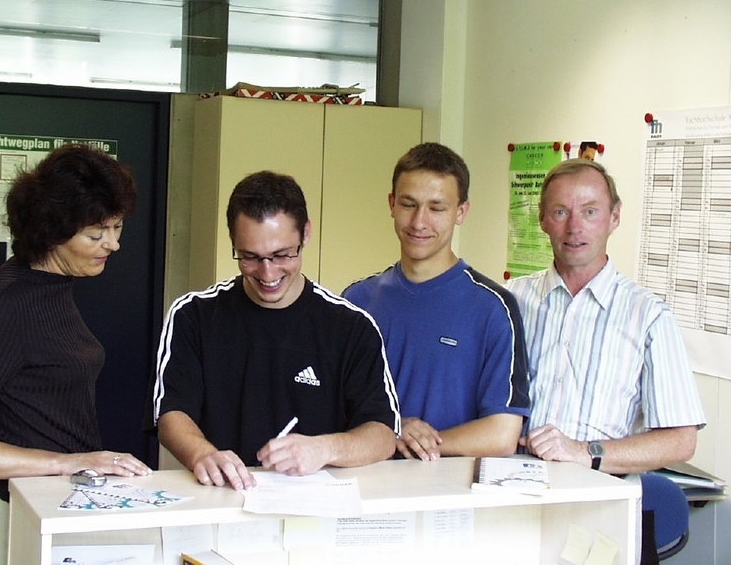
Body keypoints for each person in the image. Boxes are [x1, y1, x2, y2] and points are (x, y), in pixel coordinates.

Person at [0, 143, 152, 565]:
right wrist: (64, 462)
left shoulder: (54, 285)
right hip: (11, 518)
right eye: (96, 234)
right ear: (52, 232)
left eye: (116, 227)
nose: (113, 244)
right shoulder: (8, 302)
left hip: (54, 508)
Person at [148, 171, 400, 490]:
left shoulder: (352, 327)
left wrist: (324, 448)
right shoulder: (194, 315)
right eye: (250, 257)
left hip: (314, 505)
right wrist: (202, 455)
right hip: (221, 497)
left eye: (282, 255)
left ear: (305, 234)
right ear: (233, 242)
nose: (267, 273)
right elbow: (172, 413)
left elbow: (383, 434)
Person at [505, 158, 705, 474]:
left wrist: (584, 452)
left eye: (590, 211)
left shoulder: (649, 317)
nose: (574, 227)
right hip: (508, 485)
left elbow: (681, 440)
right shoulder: (509, 300)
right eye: (560, 212)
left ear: (614, 217)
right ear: (542, 219)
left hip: (598, 498)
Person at [342, 143, 530, 461]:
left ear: (461, 212)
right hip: (367, 492)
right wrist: (396, 427)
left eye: (437, 208)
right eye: (408, 204)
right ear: (391, 204)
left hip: (451, 497)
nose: (419, 221)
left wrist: (417, 440)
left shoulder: (494, 308)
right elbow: (335, 406)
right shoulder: (356, 302)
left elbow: (502, 434)